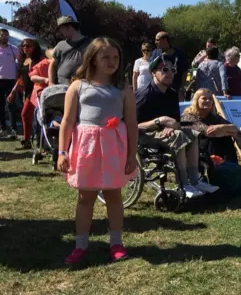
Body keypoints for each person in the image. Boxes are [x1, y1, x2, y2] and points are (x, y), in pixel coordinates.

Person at [56, 37, 138, 265]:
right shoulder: (77, 86)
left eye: (116, 57)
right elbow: (67, 121)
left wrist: (132, 155)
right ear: (92, 59)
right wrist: (62, 152)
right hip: (86, 148)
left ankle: (116, 243)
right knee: (85, 197)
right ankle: (81, 245)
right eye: (105, 57)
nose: (112, 61)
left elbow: (131, 123)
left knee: (114, 196)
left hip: (113, 148)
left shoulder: (123, 89)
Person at [136, 55, 218, 198]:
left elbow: (175, 121)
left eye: (172, 70)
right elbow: (134, 125)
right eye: (165, 69)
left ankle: (194, 181)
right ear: (153, 72)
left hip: (166, 132)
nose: (169, 73)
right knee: (179, 135)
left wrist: (172, 125)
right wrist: (159, 121)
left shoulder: (172, 94)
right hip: (144, 135)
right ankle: (184, 184)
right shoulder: (144, 94)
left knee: (193, 132)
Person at [181, 88, 239, 163]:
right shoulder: (188, 116)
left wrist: (221, 127)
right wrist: (225, 130)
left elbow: (235, 129)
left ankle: (229, 166)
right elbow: (208, 131)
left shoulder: (214, 116)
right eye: (204, 98)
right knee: (212, 140)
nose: (208, 101)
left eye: (210, 99)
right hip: (195, 148)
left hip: (212, 147)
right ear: (196, 101)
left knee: (226, 139)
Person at [13, 39, 44, 149]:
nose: (25, 48)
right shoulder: (23, 60)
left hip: (39, 91)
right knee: (26, 115)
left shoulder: (41, 59)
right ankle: (27, 141)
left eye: (28, 46)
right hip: (28, 92)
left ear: (35, 47)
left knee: (39, 117)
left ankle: (42, 143)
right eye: (23, 46)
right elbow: (21, 77)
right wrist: (13, 91)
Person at [48, 16, 92, 86]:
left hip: (81, 86)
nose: (61, 32)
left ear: (69, 27)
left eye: (62, 29)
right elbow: (52, 64)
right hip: (60, 86)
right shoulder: (61, 45)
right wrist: (51, 82)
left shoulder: (91, 44)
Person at [150, 31, 188, 96]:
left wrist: (181, 89)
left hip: (175, 89)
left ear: (165, 40)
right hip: (158, 90)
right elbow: (151, 70)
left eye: (157, 40)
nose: (155, 42)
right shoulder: (155, 53)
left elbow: (184, 72)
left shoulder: (179, 54)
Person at [0, 28, 20, 139]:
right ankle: (2, 129)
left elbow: (22, 62)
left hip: (11, 81)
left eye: (6, 35)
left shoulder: (13, 49)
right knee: (0, 106)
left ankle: (13, 130)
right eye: (2, 35)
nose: (5, 37)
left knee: (11, 105)